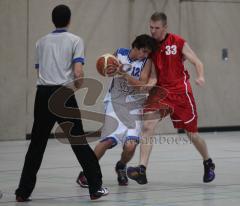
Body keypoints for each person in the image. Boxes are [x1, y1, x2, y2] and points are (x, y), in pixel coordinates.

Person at [15, 4, 108, 201]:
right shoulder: (75, 40)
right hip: (63, 94)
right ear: (69, 20)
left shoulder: (40, 42)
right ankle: (95, 187)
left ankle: (23, 192)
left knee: (36, 145)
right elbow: (77, 71)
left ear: (53, 20)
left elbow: (38, 71)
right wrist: (77, 85)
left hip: (42, 94)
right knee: (78, 141)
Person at [127, 12, 216, 184]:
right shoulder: (150, 47)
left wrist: (201, 76)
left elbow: (198, 62)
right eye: (151, 27)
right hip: (161, 93)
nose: (153, 31)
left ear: (165, 27)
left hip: (180, 93)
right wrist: (148, 85)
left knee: (192, 134)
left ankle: (208, 162)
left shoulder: (177, 42)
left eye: (157, 28)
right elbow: (152, 75)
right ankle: (142, 170)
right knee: (148, 124)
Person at [76, 34, 157, 187]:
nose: (146, 55)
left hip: (134, 106)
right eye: (144, 51)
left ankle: (121, 166)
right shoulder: (119, 53)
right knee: (107, 141)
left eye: (148, 52)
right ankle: (85, 173)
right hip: (115, 103)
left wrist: (124, 75)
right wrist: (110, 69)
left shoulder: (146, 62)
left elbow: (141, 85)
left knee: (131, 145)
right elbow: (107, 69)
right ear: (135, 47)